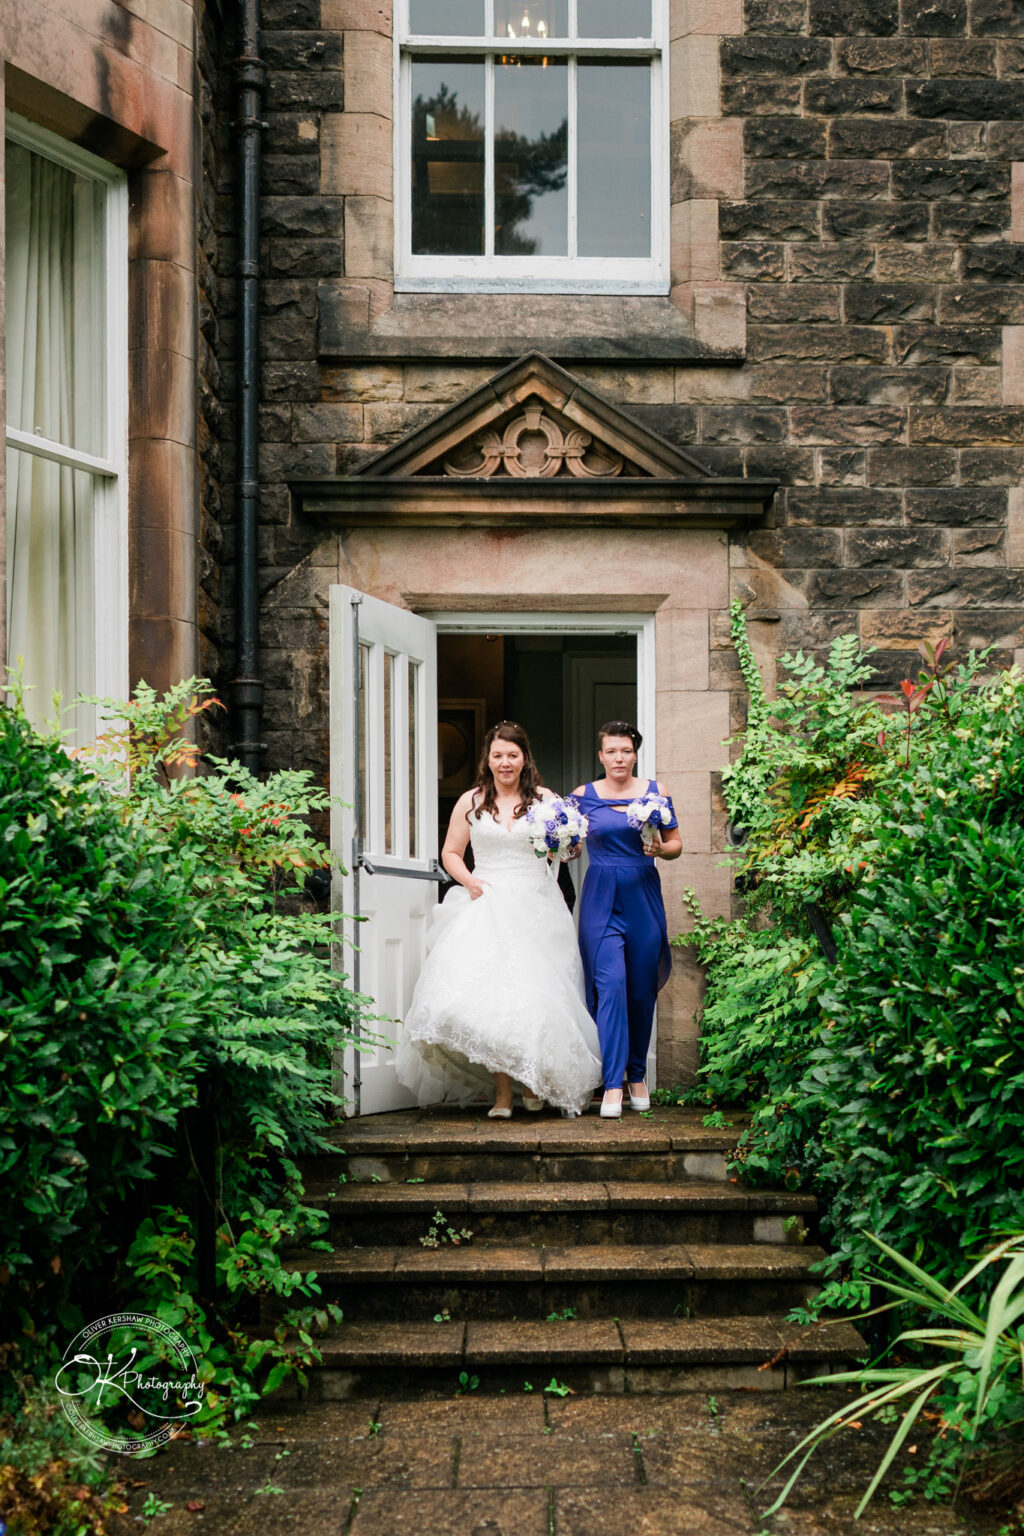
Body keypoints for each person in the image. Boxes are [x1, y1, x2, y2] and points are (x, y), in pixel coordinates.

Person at [395, 722, 603, 1118]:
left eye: (512, 755)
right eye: (497, 756)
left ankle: (533, 1084)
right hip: (487, 902)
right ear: (487, 760)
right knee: (491, 999)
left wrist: (569, 846)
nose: (505, 763)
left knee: (534, 995)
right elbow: (451, 853)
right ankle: (503, 1094)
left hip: (537, 906)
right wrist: (470, 881)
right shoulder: (470, 802)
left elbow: (567, 850)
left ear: (524, 759)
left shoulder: (545, 801)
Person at [573, 722, 683, 1120]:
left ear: (635, 754)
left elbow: (675, 844)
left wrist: (661, 849)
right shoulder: (582, 797)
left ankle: (637, 1074)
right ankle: (613, 1082)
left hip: (642, 893)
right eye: (611, 751)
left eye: (625, 751)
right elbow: (568, 842)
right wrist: (567, 850)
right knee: (611, 986)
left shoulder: (657, 792)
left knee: (639, 989)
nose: (618, 758)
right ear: (600, 756)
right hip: (601, 895)